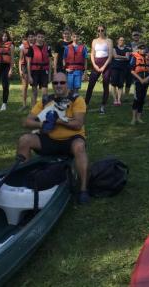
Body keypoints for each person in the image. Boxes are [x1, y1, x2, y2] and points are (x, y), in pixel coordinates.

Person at [17, 72, 90, 204]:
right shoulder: (45, 100)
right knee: (24, 140)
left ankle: (83, 189)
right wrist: (42, 124)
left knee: (79, 146)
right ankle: (26, 179)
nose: (58, 85)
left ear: (67, 84)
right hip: (49, 139)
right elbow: (26, 122)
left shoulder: (77, 100)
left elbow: (78, 124)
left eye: (62, 82)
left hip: (71, 140)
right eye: (55, 83)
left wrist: (58, 120)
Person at [84, 25, 112, 114]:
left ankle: (102, 106)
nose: (100, 32)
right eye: (98, 30)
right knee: (91, 85)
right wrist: (94, 65)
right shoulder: (94, 41)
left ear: (105, 30)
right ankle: (85, 105)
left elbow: (110, 55)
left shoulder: (109, 41)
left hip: (106, 64)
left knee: (105, 84)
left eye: (102, 30)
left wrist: (104, 66)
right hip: (96, 64)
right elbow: (92, 54)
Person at [27, 30, 53, 105]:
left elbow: (50, 62)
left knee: (45, 92)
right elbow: (28, 63)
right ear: (36, 37)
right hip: (34, 71)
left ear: (44, 38)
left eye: (42, 37)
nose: (40, 38)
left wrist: (49, 75)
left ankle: (44, 110)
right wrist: (29, 76)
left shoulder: (48, 48)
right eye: (39, 37)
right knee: (34, 92)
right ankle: (33, 110)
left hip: (44, 71)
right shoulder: (31, 48)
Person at [129, 43, 149, 124]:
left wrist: (147, 78)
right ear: (138, 49)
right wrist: (140, 79)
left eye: (144, 48)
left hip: (146, 81)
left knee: (142, 100)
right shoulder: (134, 57)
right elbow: (132, 70)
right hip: (138, 81)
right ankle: (133, 118)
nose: (143, 50)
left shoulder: (148, 58)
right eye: (141, 49)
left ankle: (139, 118)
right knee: (137, 99)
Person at [110, 36, 132, 106]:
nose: (121, 41)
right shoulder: (114, 48)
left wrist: (119, 56)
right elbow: (115, 56)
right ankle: (115, 99)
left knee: (120, 84)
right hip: (115, 68)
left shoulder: (126, 49)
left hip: (123, 68)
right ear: (117, 41)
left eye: (123, 40)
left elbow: (127, 58)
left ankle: (119, 100)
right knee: (113, 84)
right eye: (120, 40)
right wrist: (123, 57)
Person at [18, 31, 35, 110]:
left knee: (34, 87)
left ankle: (33, 106)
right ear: (27, 38)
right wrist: (20, 70)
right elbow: (20, 59)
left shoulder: (37, 45)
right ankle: (24, 105)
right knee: (25, 86)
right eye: (29, 37)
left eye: (32, 36)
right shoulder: (23, 46)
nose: (31, 38)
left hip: (34, 67)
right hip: (25, 67)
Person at [123, 30, 142, 98]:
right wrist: (137, 52)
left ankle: (136, 96)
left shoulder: (142, 44)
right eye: (134, 35)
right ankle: (126, 96)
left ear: (139, 36)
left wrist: (134, 52)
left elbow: (144, 52)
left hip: (140, 65)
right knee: (128, 81)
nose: (136, 36)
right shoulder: (129, 44)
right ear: (132, 36)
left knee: (138, 81)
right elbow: (128, 53)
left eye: (137, 35)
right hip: (130, 65)